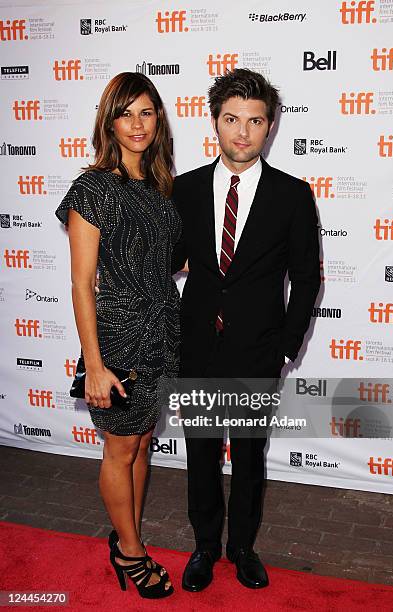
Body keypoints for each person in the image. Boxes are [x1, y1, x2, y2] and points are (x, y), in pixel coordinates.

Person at [172, 68, 321, 591]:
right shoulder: (184, 189)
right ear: (214, 121)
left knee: (250, 455)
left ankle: (243, 547)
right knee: (201, 452)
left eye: (254, 121)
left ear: (270, 126)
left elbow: (305, 279)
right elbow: (168, 259)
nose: (242, 132)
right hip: (196, 345)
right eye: (231, 119)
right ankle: (205, 546)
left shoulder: (293, 195)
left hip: (259, 350)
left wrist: (285, 347)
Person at [56, 72, 180, 599]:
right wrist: (95, 363)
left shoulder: (160, 186)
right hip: (119, 337)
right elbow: (82, 284)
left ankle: (128, 534)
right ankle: (130, 553)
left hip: (162, 333)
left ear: (158, 121)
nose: (136, 124)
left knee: (143, 442)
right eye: (125, 112)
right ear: (108, 121)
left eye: (146, 112)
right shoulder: (92, 187)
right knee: (120, 447)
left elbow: (168, 263)